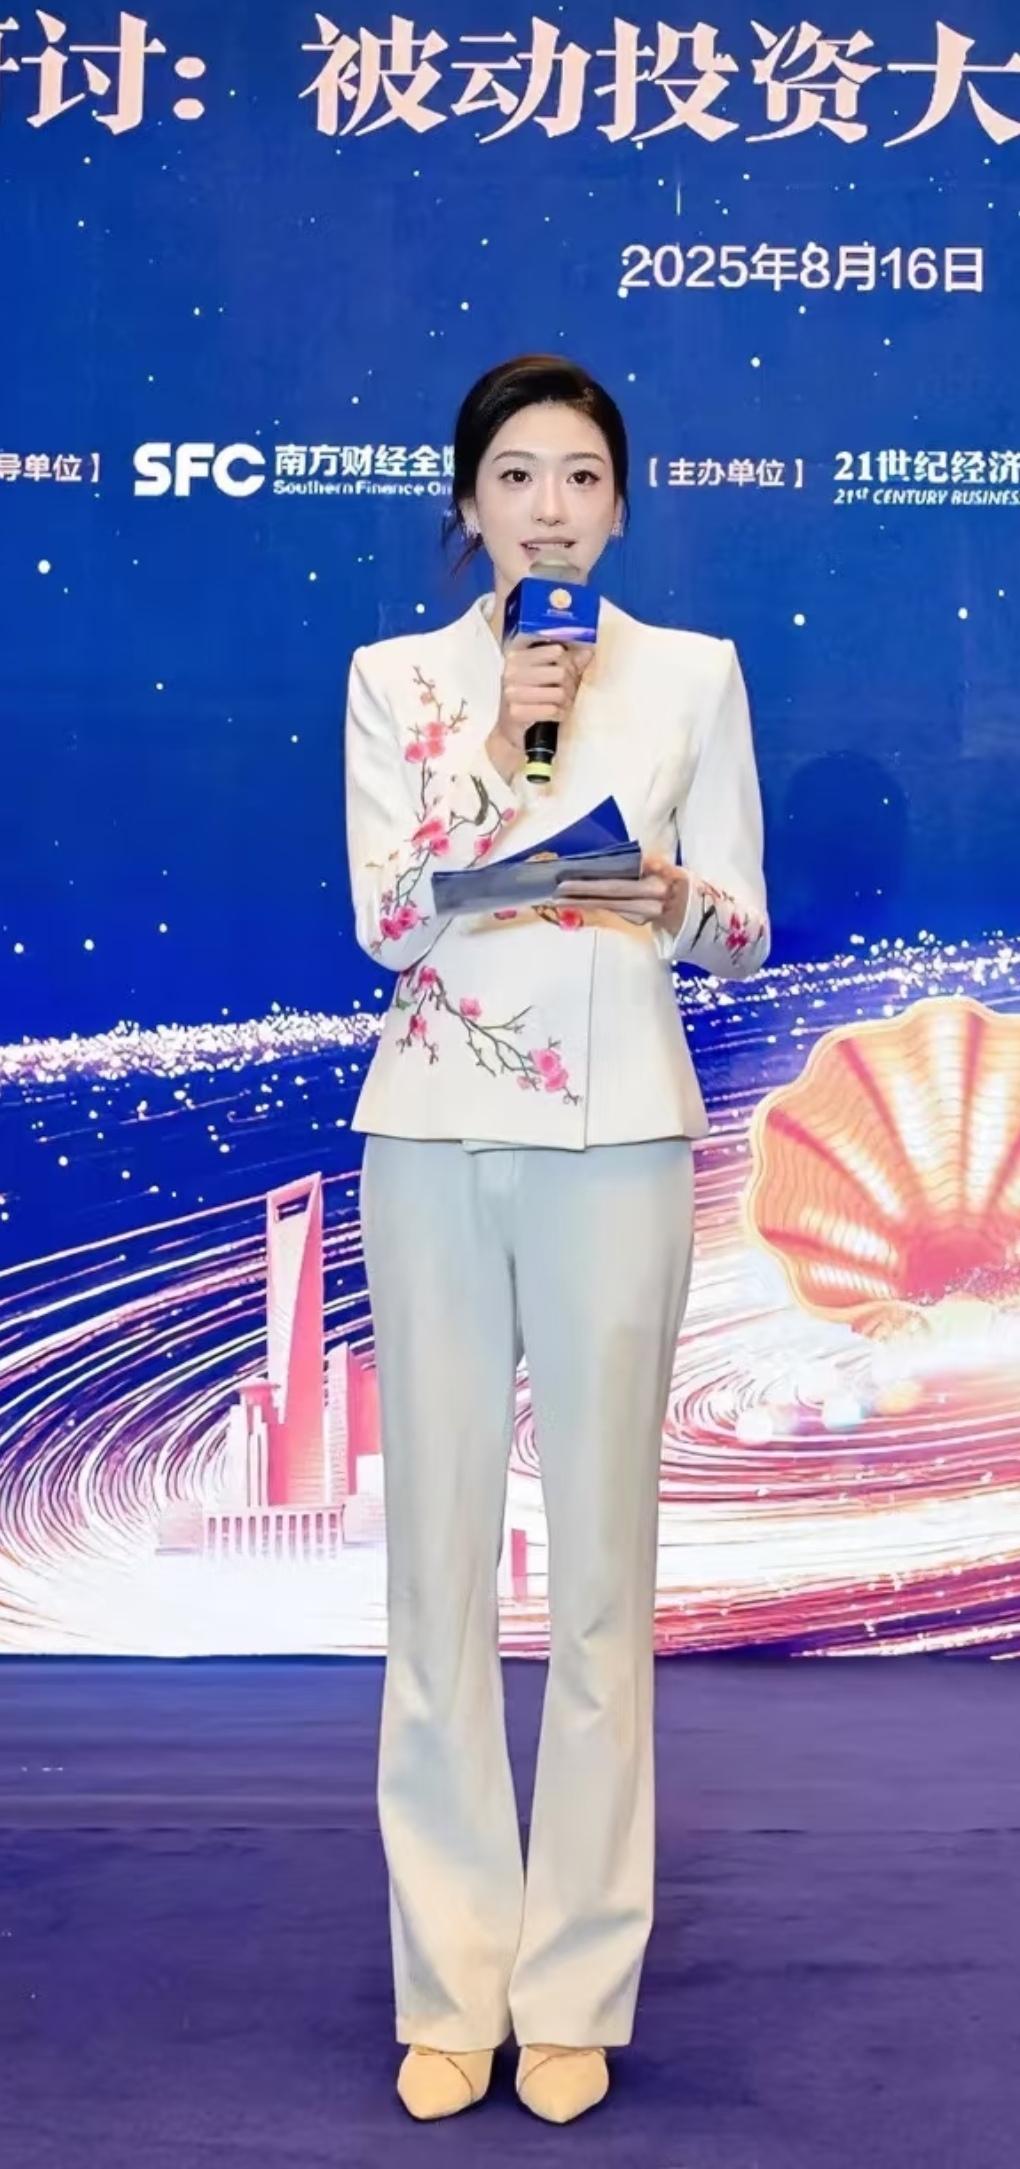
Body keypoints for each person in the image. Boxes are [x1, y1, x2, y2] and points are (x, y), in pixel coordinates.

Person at [343, 353, 769, 2125]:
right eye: (515, 475)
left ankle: (576, 1982)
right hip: (438, 1132)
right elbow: (389, 922)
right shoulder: (398, 678)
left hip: (618, 1142)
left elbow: (741, 930)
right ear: (470, 503)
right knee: (436, 1580)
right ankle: (451, 1981)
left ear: (621, 503)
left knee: (600, 1582)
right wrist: (499, 739)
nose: (548, 507)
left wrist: (666, 892)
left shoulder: (691, 674)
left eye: (580, 476)